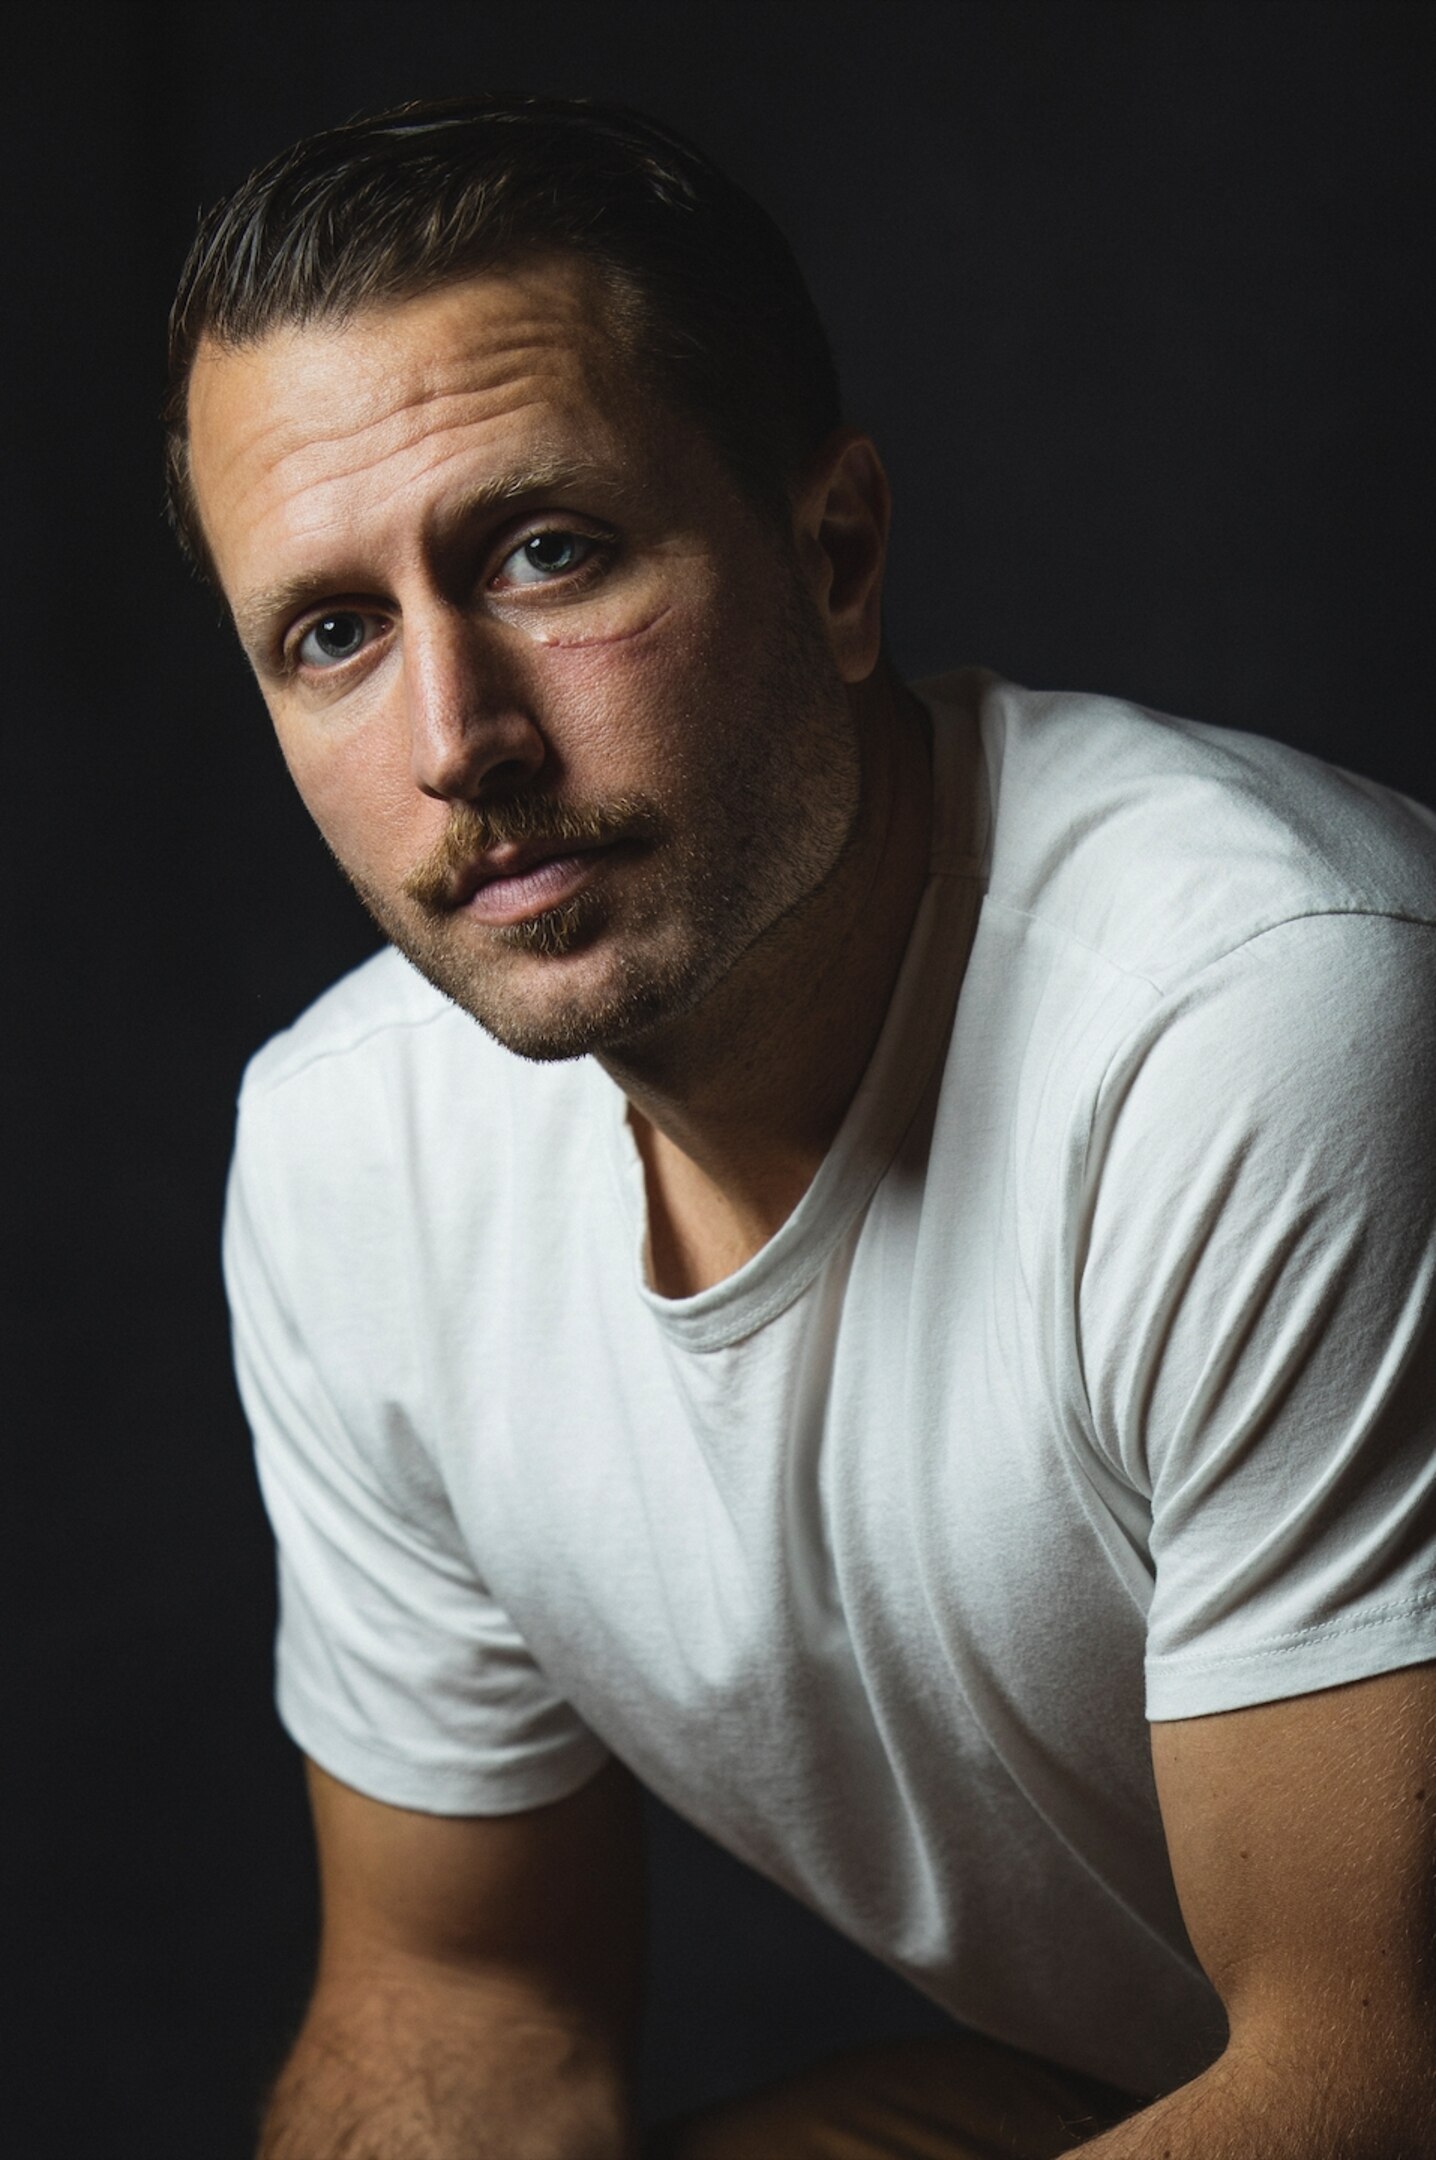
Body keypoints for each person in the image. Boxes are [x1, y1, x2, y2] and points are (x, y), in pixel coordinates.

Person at [167, 94, 1436, 2159]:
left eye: (546, 553)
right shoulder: (352, 1154)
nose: (456, 739)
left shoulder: (1251, 1022)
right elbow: (466, 2001)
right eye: (334, 633)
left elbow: (1369, 2077)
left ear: (832, 556)